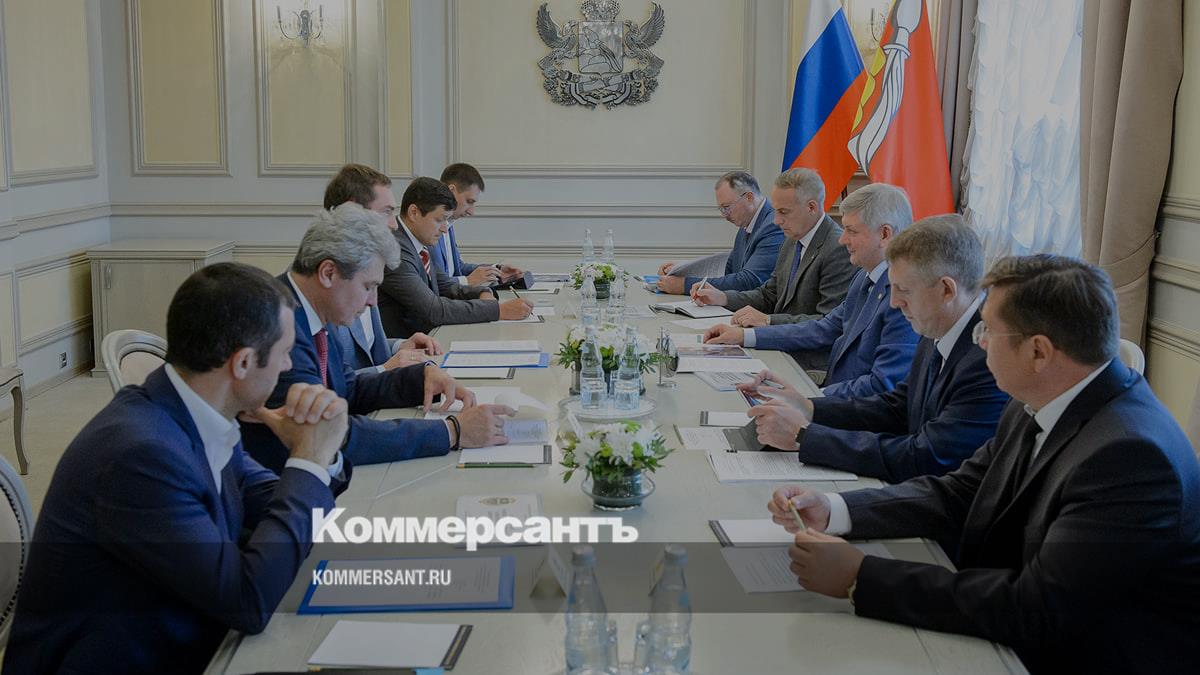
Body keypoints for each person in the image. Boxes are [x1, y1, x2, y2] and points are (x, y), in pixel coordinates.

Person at [766, 255, 1200, 674]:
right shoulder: (1040, 400)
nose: (979, 342)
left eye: (988, 330)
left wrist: (862, 577)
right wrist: (836, 509)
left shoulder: (1130, 457)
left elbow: (1038, 608)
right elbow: (959, 491)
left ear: (1039, 352)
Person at [2, 263, 351, 673]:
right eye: (284, 353)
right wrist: (309, 460)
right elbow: (247, 601)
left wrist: (315, 459)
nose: (288, 366)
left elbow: (274, 507)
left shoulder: (192, 412)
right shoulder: (141, 455)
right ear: (241, 364)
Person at [241, 204, 513, 473]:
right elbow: (324, 434)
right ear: (328, 273)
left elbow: (347, 390)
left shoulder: (310, 308)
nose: (373, 302)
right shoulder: (277, 325)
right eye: (368, 287)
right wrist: (451, 431)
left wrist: (419, 378)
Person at [742, 215, 1008, 482]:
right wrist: (809, 408)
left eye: (903, 290)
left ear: (946, 290)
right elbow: (897, 406)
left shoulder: (988, 359)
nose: (894, 302)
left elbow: (927, 456)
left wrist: (805, 437)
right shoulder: (938, 323)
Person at [704, 183, 918, 398]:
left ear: (884, 234)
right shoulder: (864, 277)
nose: (842, 239)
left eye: (851, 231)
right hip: (833, 394)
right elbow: (824, 328)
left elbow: (882, 385)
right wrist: (745, 336)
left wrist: (809, 399)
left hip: (848, 406)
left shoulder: (903, 299)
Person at [692, 168, 854, 331]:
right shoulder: (791, 240)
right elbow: (770, 294)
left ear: (811, 207)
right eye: (776, 211)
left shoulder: (838, 248)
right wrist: (723, 298)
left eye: (783, 212)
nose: (776, 221)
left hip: (804, 345)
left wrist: (768, 320)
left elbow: (829, 323)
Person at [322, 163, 443, 374]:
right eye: (386, 212)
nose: (394, 224)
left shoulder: (367, 266)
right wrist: (384, 369)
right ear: (352, 211)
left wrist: (400, 346)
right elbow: (327, 381)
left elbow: (366, 344)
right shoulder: (329, 277)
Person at [377, 177, 533, 338]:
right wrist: (499, 310)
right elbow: (434, 310)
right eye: (439, 220)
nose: (444, 229)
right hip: (407, 345)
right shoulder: (395, 248)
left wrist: (481, 292)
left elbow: (445, 285)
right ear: (414, 212)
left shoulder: (418, 240)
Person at [655, 171, 784, 294]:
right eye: (721, 209)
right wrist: (682, 270)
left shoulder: (773, 225)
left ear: (749, 197)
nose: (724, 215)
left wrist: (684, 285)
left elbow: (749, 281)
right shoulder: (747, 222)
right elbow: (729, 268)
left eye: (727, 207)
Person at [430, 162, 525, 287]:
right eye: (469, 201)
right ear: (451, 191)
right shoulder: (430, 228)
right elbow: (435, 283)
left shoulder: (449, 223)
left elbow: (458, 268)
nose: (471, 212)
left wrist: (496, 270)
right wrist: (467, 281)